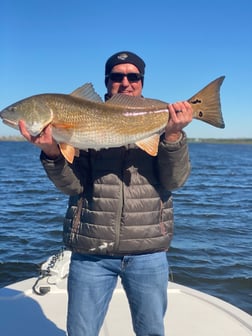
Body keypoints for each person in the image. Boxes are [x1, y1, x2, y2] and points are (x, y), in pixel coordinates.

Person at [19, 51, 193, 336]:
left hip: (147, 252)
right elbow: (71, 187)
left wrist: (172, 137)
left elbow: (174, 181)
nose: (125, 82)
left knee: (151, 331)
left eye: (133, 76)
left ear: (141, 82)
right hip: (91, 252)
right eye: (117, 76)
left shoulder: (161, 123)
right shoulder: (82, 123)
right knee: (81, 332)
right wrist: (53, 152)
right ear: (107, 81)